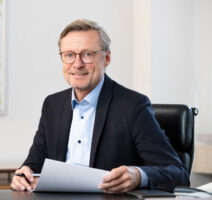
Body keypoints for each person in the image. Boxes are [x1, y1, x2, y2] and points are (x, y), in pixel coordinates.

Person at [11, 19, 189, 193]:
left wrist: (138, 175)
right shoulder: (52, 104)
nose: (77, 64)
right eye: (69, 55)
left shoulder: (133, 105)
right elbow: (33, 165)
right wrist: (22, 175)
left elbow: (178, 173)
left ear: (107, 58)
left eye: (88, 54)